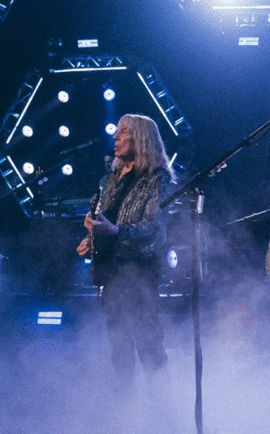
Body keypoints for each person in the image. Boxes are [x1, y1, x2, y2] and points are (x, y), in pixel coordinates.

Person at [76, 114, 175, 387]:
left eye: (123, 132)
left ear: (141, 138)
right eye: (116, 132)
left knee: (147, 341)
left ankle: (162, 410)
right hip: (111, 271)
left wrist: (116, 232)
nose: (115, 137)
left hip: (138, 271)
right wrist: (91, 238)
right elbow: (104, 218)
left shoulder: (156, 178)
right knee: (118, 343)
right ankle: (125, 405)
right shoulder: (111, 179)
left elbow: (155, 229)